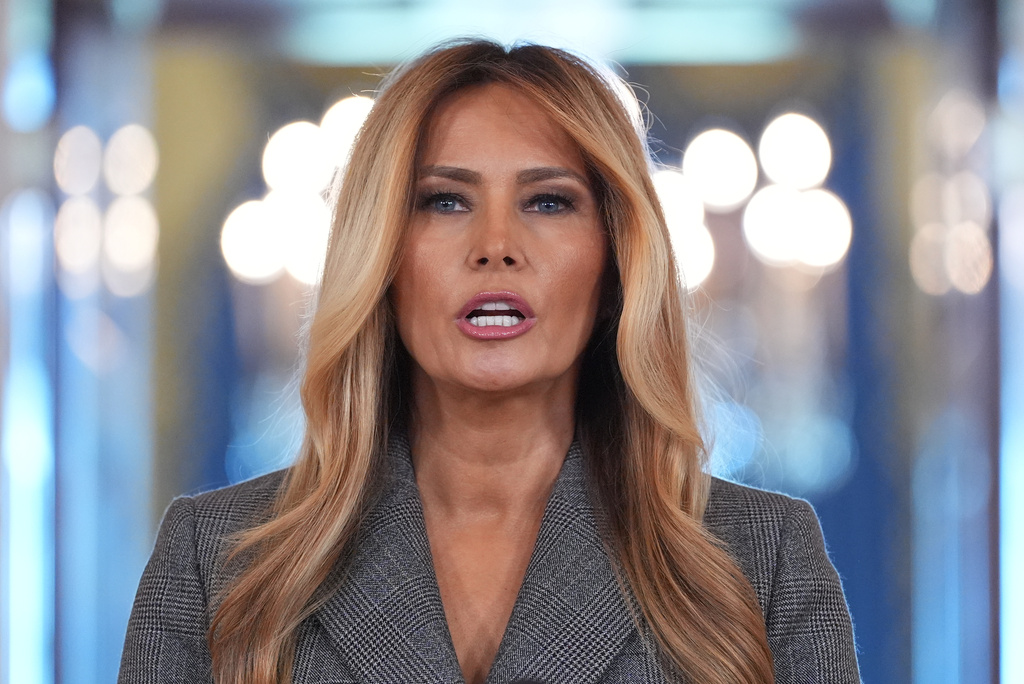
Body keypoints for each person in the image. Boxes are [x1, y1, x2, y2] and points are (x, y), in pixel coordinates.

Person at [119, 39, 860, 684]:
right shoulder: (214, 560)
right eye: (444, 201)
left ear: (615, 262)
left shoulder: (763, 560)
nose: (496, 246)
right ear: (379, 255)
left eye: (548, 202)